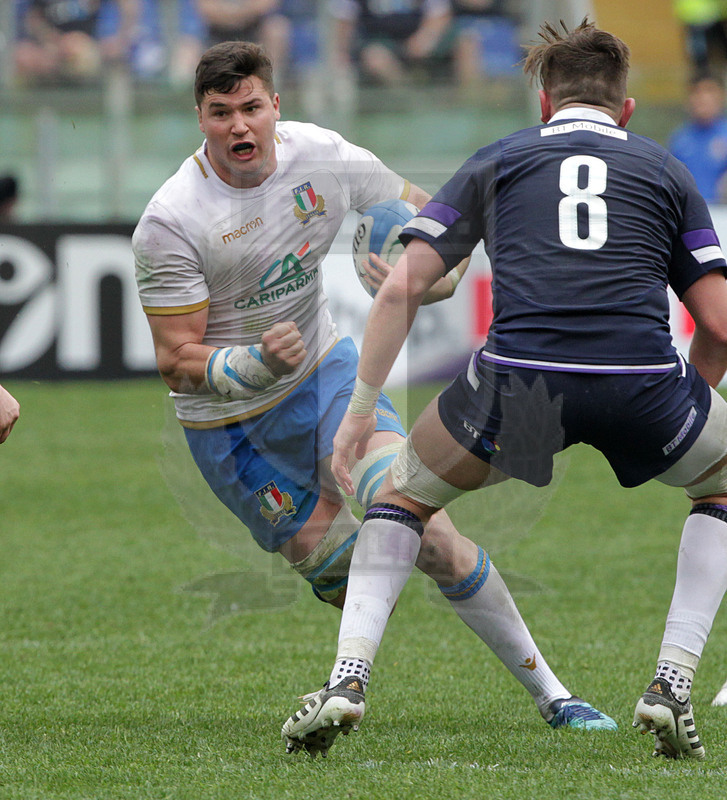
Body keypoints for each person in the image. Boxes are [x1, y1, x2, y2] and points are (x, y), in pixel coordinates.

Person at [132, 40, 617, 758]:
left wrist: (427, 276)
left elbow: (428, 222)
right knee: (342, 572)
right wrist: (252, 360)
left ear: (276, 106)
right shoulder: (172, 219)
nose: (239, 126)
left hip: (326, 376)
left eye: (251, 108)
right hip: (230, 431)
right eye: (220, 112)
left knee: (421, 524)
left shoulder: (322, 155)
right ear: (199, 119)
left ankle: (555, 696)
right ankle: (348, 681)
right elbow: (177, 362)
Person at [283, 18, 727, 761]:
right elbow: (715, 320)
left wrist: (359, 416)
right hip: (641, 383)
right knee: (719, 490)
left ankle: (347, 679)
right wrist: (689, 403)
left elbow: (400, 291)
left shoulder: (500, 158)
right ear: (623, 109)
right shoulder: (663, 168)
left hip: (516, 386)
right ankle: (670, 684)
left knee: (398, 498)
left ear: (544, 106)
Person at [331, 0, 452, 86]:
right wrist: (341, 52)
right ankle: (407, 94)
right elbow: (345, 21)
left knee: (466, 40)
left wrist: (425, 37)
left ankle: (464, 99)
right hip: (378, 41)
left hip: (420, 37)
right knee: (376, 58)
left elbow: (440, 14)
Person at [14, 0, 139, 83]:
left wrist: (120, 41)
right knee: (23, 56)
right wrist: (52, 41)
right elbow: (34, 18)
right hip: (50, 45)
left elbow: (128, 6)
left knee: (75, 48)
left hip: (88, 46)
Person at [669, 73, 727, 203]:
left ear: (721, 96)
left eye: (709, 91)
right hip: (690, 216)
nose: (702, 98)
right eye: (696, 92)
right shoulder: (679, 139)